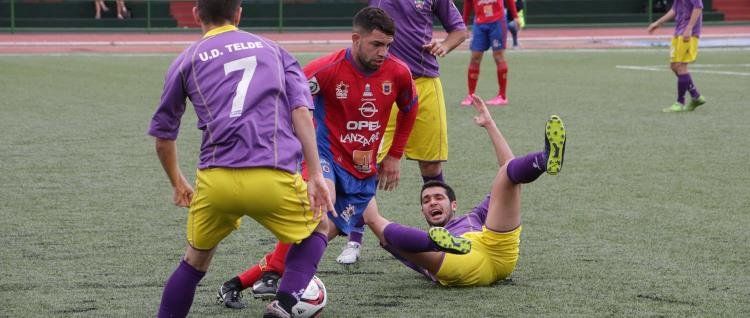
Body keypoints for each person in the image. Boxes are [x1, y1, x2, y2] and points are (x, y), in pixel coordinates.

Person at [216, 7, 419, 309]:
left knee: (315, 236)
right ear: (356, 39)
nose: (383, 52)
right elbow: (286, 97)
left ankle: (238, 283)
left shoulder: (398, 72)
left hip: (363, 169)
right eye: (377, 44)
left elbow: (410, 108)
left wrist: (395, 155)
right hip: (324, 157)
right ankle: (283, 300)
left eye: (388, 45)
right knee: (318, 215)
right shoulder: (327, 69)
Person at [147, 1, 336, 317]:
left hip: (216, 179)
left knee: (194, 262)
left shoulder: (186, 60)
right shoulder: (275, 51)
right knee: (319, 227)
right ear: (238, 13)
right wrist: (315, 173)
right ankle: (285, 304)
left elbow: (164, 138)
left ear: (196, 15)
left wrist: (177, 182)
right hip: (271, 175)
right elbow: (301, 112)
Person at [365, 95, 567, 287]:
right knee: (389, 233)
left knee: (507, 175)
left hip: (496, 249)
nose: (432, 202)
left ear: (453, 205)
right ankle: (436, 244)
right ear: (422, 212)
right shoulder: (418, 238)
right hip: (458, 264)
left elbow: (510, 170)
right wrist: (360, 182)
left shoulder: (475, 217)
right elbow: (374, 222)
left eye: (438, 197)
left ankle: (545, 159)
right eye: (426, 201)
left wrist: (490, 124)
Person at [347, 0, 465, 267]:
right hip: (383, 85)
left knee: (432, 163)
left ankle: (444, 235)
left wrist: (444, 45)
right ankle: (354, 238)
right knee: (368, 164)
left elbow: (459, 30)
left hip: (424, 81)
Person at [648, 0, 707, 112]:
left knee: (680, 66)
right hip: (679, 31)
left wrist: (689, 28)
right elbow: (675, 9)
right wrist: (658, 23)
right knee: (674, 66)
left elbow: (698, 7)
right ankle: (696, 96)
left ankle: (680, 102)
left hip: (688, 34)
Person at [460, 0, 518, 107]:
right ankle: (471, 95)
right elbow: (468, 3)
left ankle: (502, 96)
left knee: (498, 56)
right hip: (479, 23)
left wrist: (515, 16)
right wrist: (464, 23)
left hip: (497, 21)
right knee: (475, 58)